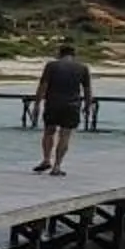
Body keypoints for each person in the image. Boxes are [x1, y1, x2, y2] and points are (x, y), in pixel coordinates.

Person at [33, 41, 91, 175]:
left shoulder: (51, 66)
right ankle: (57, 166)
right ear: (74, 55)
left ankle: (46, 159)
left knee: (49, 132)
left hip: (53, 103)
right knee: (65, 135)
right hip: (72, 105)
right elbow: (87, 90)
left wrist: (36, 104)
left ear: (60, 54)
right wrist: (88, 106)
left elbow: (43, 86)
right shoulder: (83, 68)